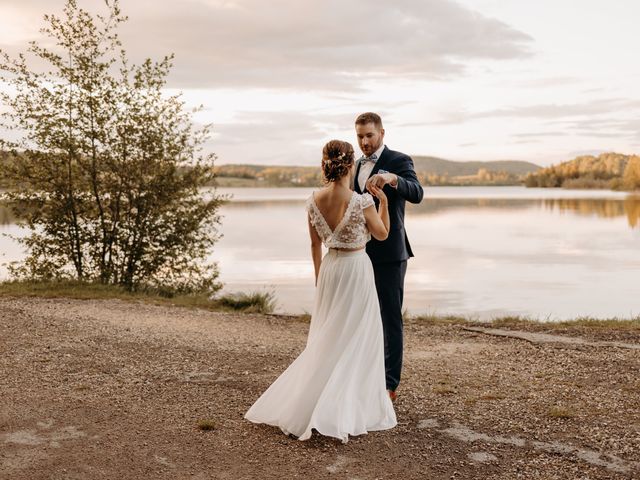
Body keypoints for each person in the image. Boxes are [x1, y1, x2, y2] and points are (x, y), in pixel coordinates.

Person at [244, 139, 397, 443]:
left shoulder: (312, 200)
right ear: (350, 165)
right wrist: (384, 204)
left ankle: (318, 401)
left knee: (329, 336)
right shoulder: (361, 201)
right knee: (356, 336)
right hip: (355, 269)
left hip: (330, 270)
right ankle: (347, 406)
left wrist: (319, 278)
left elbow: (314, 244)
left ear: (325, 165)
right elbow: (382, 234)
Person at [353, 112, 424, 402]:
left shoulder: (399, 160)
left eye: (369, 135)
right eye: (359, 136)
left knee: (390, 319)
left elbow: (417, 193)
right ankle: (364, 377)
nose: (365, 142)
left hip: (390, 255)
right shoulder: (355, 165)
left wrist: (393, 179)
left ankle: (389, 385)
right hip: (358, 254)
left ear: (382, 133)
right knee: (361, 318)